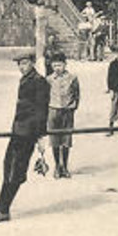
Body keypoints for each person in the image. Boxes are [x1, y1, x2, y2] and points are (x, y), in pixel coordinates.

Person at [0, 50, 49, 223]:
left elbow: (42, 111)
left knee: (15, 171)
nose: (22, 67)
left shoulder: (39, 82)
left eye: (25, 63)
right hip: (18, 131)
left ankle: (3, 209)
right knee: (8, 167)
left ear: (32, 63)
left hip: (28, 133)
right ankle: (0, 206)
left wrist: (40, 136)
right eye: (19, 64)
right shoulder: (26, 80)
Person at [46, 50, 80, 178]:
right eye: (54, 66)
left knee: (66, 141)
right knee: (54, 140)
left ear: (65, 65)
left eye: (59, 65)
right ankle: (56, 166)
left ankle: (64, 166)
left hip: (67, 112)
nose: (57, 68)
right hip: (53, 111)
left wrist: (73, 107)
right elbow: (45, 96)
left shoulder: (72, 78)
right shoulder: (49, 80)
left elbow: (77, 94)